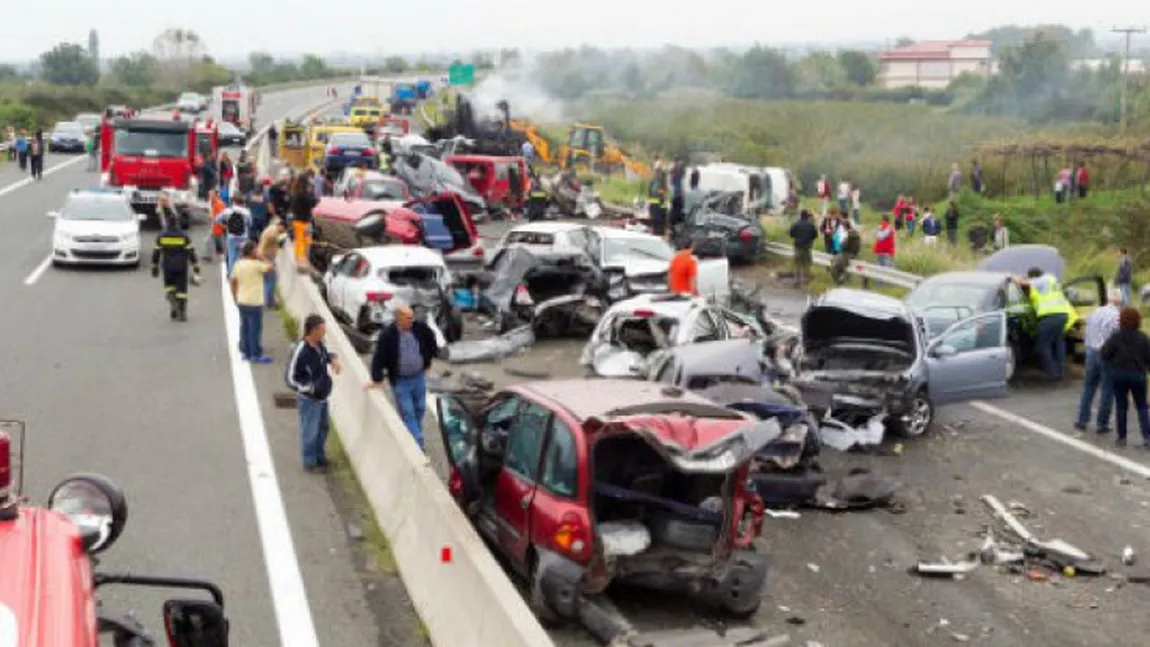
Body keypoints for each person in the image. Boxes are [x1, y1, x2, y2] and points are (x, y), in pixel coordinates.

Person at [367, 305, 440, 451]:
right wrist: (377, 379)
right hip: (401, 382)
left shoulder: (420, 328)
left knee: (420, 409)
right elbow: (378, 358)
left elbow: (431, 342)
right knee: (408, 413)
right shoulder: (387, 335)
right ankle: (418, 444)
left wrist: (428, 363)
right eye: (408, 318)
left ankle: (413, 435)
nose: (412, 320)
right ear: (398, 318)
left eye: (412, 317)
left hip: (419, 378)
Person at [286, 314, 342, 471]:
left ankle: (320, 457)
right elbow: (291, 378)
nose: (324, 333)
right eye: (322, 330)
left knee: (323, 428)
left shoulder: (319, 346)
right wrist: (308, 388)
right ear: (313, 330)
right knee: (310, 431)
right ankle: (310, 462)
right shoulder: (302, 351)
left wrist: (333, 360)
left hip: (323, 397)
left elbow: (325, 356)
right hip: (309, 400)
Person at [1100, 306, 1150, 447]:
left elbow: (1104, 354)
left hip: (1119, 374)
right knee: (1142, 406)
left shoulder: (1116, 336)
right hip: (1138, 374)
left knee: (1121, 406)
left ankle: (1122, 438)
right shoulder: (1143, 337)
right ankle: (1147, 436)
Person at [1016, 267, 1078, 380]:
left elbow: (1022, 282)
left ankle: (1052, 373)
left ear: (1034, 277)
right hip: (1062, 315)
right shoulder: (1051, 279)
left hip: (1050, 317)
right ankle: (1060, 371)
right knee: (1058, 343)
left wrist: (1011, 277)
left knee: (1042, 345)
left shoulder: (1040, 281)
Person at [1076, 289, 1121, 434]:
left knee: (1089, 387)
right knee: (1107, 389)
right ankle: (1102, 424)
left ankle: (1082, 420)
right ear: (1118, 301)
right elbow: (1116, 336)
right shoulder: (1116, 316)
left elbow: (1087, 331)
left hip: (1090, 351)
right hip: (1106, 354)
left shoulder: (1094, 312)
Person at [150, 210, 202, 322]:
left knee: (170, 288)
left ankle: (173, 304)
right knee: (182, 291)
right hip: (181, 266)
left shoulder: (161, 236)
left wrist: (154, 266)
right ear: (177, 222)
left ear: (167, 222)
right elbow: (191, 252)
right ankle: (182, 313)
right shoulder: (184, 236)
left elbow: (156, 253)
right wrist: (196, 266)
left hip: (167, 267)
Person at [230, 240, 274, 363]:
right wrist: (262, 257)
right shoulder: (256, 265)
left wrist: (235, 297)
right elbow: (270, 268)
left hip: (242, 300)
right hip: (254, 302)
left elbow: (233, 281)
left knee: (244, 326)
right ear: (252, 251)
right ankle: (255, 354)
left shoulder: (238, 264)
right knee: (255, 328)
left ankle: (245, 351)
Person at [215, 193, 252, 276]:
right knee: (242, 257)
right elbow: (250, 224)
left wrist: (224, 226)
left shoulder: (228, 211)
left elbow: (217, 219)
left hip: (231, 237)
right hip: (243, 237)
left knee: (232, 256)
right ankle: (241, 274)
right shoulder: (247, 212)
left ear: (234, 201)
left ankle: (232, 275)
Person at [289, 173, 318, 267]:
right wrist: (316, 201)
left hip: (296, 220)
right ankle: (304, 260)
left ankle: (298, 259)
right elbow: (311, 204)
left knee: (298, 240)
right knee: (307, 241)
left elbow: (292, 207)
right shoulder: (306, 194)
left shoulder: (294, 193)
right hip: (305, 221)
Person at [259, 217, 286, 309]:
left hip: (265, 256)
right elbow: (278, 242)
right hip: (266, 258)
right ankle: (269, 302)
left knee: (267, 280)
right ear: (281, 226)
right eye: (283, 229)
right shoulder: (273, 233)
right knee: (271, 280)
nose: (283, 231)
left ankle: (268, 300)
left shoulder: (272, 228)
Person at [789, 209, 818, 284]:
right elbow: (815, 235)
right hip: (807, 247)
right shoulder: (811, 225)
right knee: (806, 264)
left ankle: (797, 280)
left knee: (797, 264)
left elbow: (791, 234)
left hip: (798, 247)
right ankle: (806, 280)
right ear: (807, 216)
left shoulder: (796, 224)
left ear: (800, 216)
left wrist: (797, 237)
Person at [830, 220, 860, 285]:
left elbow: (844, 246)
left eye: (843, 226)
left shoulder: (849, 234)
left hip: (847, 254)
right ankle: (843, 278)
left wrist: (842, 243)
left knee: (834, 266)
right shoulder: (855, 234)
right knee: (841, 266)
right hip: (853, 253)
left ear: (845, 226)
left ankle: (839, 281)